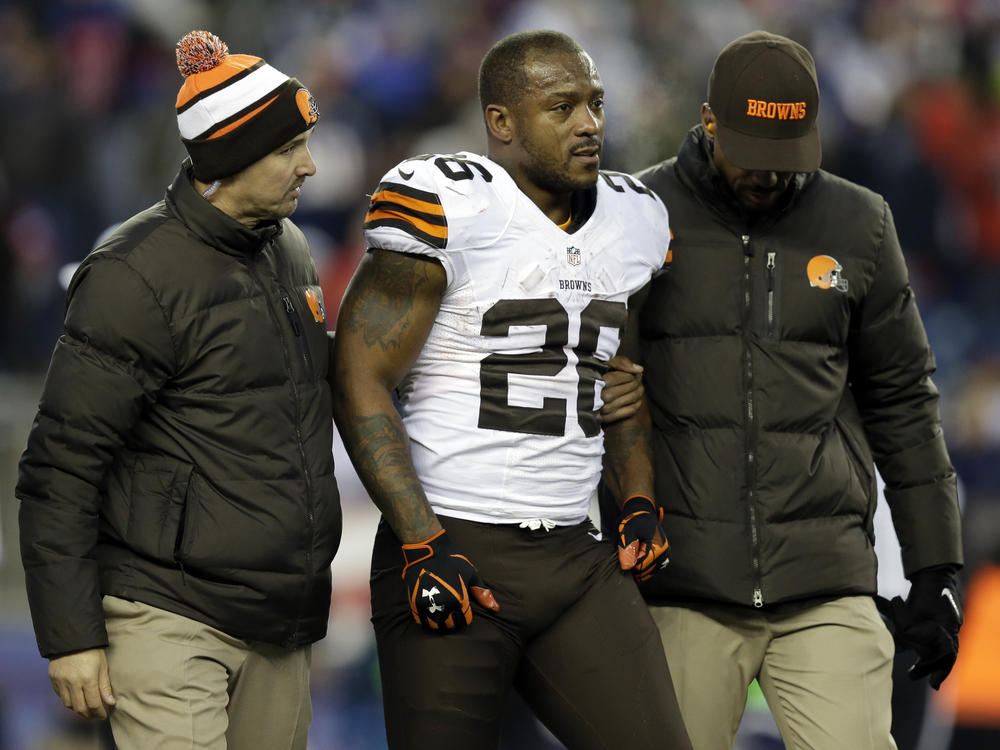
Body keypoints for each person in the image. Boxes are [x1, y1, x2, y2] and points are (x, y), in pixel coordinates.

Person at [603, 30, 964, 749]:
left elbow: (903, 401)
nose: (769, 176)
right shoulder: (633, 214)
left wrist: (935, 567)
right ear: (708, 122)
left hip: (825, 579)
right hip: (682, 582)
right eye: (753, 157)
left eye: (787, 158)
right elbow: (606, 397)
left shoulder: (860, 222)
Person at [331, 29, 691, 750]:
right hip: (455, 540)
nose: (589, 123)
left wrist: (641, 500)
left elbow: (620, 379)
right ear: (501, 123)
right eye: (561, 107)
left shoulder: (635, 218)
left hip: (576, 555)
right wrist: (420, 541)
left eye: (594, 102)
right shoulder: (448, 203)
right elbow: (358, 374)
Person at [16, 30, 341, 750]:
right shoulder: (134, 274)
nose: (310, 166)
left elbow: (306, 390)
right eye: (290, 148)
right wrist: (70, 636)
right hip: (166, 615)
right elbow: (60, 467)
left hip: (280, 620)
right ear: (229, 156)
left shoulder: (290, 247)